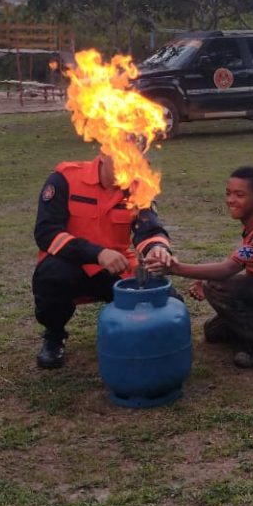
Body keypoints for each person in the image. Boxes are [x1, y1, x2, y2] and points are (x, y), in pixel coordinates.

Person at [145, 166, 253, 368]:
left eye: (239, 195)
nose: (231, 200)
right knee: (213, 332)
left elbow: (227, 269)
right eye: (228, 193)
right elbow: (243, 266)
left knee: (216, 285)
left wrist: (175, 268)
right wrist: (209, 277)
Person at [31, 153, 174, 369]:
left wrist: (157, 248)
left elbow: (149, 228)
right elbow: (46, 232)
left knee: (167, 298)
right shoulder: (65, 179)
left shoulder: (138, 186)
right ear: (106, 149)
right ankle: (54, 335)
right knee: (52, 277)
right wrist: (97, 254)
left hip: (117, 266)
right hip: (71, 264)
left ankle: (142, 336)